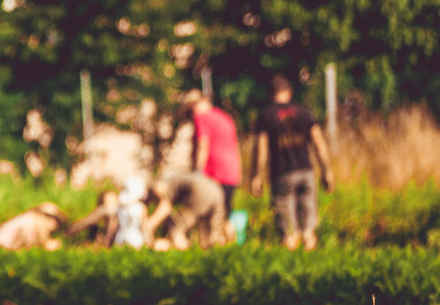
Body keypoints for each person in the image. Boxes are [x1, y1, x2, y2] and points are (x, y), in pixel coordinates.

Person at [250, 74, 335, 251]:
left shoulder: (266, 115)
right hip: (306, 172)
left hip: (282, 174)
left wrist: (256, 176)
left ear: (269, 93)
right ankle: (311, 268)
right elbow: (319, 143)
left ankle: (290, 271)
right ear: (288, 92)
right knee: (308, 230)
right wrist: (327, 171)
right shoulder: (304, 112)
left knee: (288, 231)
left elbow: (261, 150)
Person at [181, 89, 241, 233]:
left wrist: (198, 171)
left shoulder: (201, 118)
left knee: (208, 213)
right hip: (231, 173)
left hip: (214, 173)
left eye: (190, 112)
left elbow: (203, 144)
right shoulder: (225, 117)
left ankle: (211, 245)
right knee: (225, 212)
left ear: (194, 106)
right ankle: (230, 245)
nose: (191, 116)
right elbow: (235, 145)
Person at [143, 172, 227, 250]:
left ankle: (184, 254)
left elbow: (165, 207)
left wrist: (148, 226)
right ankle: (213, 254)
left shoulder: (156, 186)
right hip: (216, 190)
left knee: (176, 228)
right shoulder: (174, 179)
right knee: (211, 232)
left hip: (200, 191)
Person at [0, 202, 66, 250]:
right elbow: (46, 244)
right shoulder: (36, 219)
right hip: (1, 247)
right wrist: (49, 243)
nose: (54, 223)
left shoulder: (28, 220)